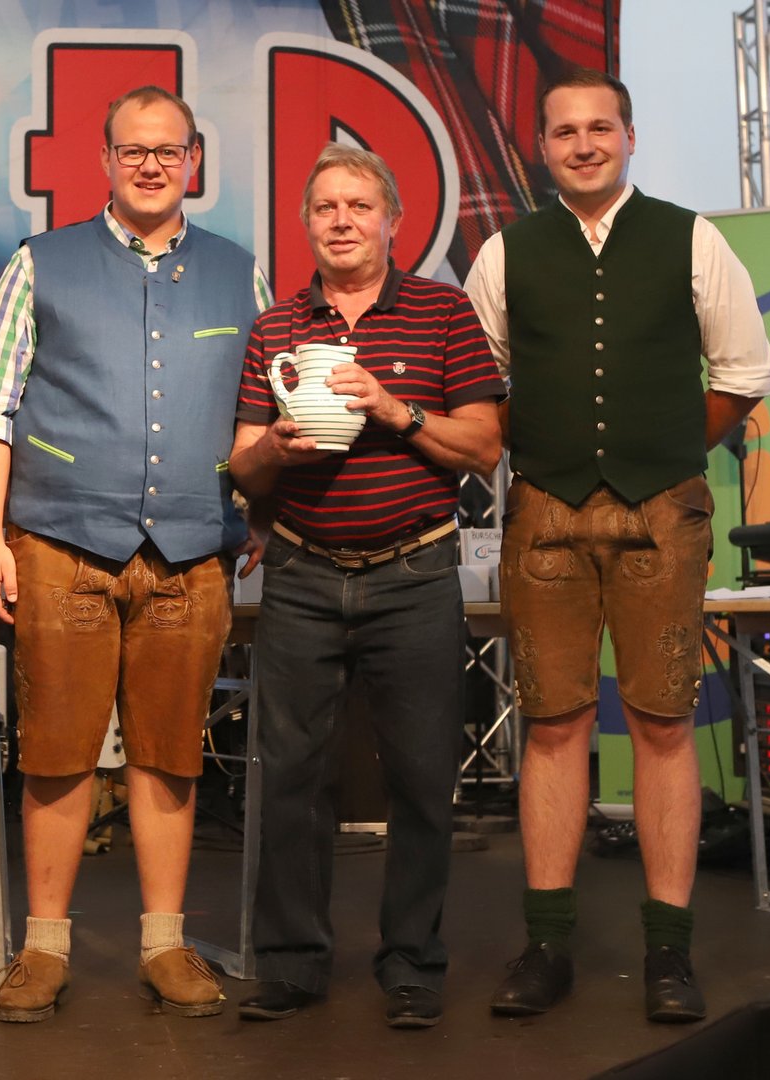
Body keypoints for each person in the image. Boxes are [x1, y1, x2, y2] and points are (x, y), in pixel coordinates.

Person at [463, 67, 770, 1023]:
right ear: (541, 148)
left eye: (601, 127)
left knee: (663, 725)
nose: (584, 144)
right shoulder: (505, 253)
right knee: (553, 723)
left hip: (662, 513)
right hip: (543, 512)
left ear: (630, 137)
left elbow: (744, 372)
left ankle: (668, 953)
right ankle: (546, 946)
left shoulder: (693, 238)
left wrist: (667, 455)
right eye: (565, 132)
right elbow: (481, 387)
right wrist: (555, 452)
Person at [0, 85, 270, 1023]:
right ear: (104, 160)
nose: (150, 165)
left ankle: (165, 945)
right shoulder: (40, 262)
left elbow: (261, 409)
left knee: (171, 756)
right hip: (60, 542)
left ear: (194, 161)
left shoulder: (239, 272)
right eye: (132, 149)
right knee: (56, 754)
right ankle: (43, 950)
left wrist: (260, 510)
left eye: (167, 150)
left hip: (192, 549)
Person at [227, 144, 504, 1029]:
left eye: (359, 206)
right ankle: (291, 964)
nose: (341, 221)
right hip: (301, 572)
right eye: (325, 207)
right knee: (291, 778)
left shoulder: (443, 312)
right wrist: (275, 450)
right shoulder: (276, 327)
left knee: (421, 778)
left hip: (414, 572)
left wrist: (393, 409)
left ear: (393, 221)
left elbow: (484, 446)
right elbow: (243, 467)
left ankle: (413, 964)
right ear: (305, 223)